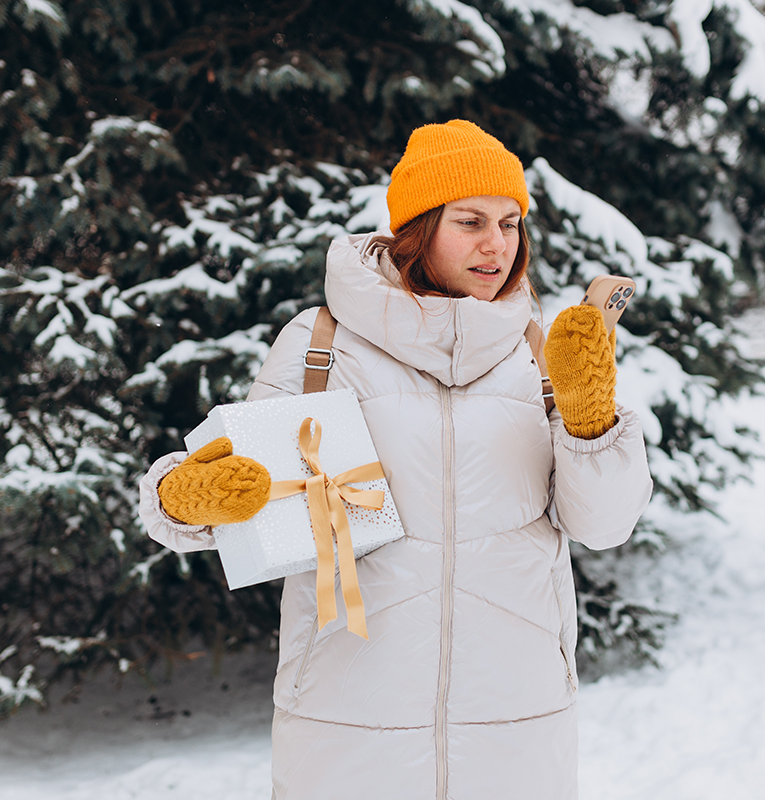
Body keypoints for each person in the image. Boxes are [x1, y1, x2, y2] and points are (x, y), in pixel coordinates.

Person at [138, 119, 652, 799]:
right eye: (470, 221)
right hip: (346, 720)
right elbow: (215, 486)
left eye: (510, 222)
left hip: (516, 723)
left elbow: (604, 524)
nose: (496, 243)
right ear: (418, 228)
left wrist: (592, 425)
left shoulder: (540, 352)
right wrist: (187, 496)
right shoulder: (321, 344)